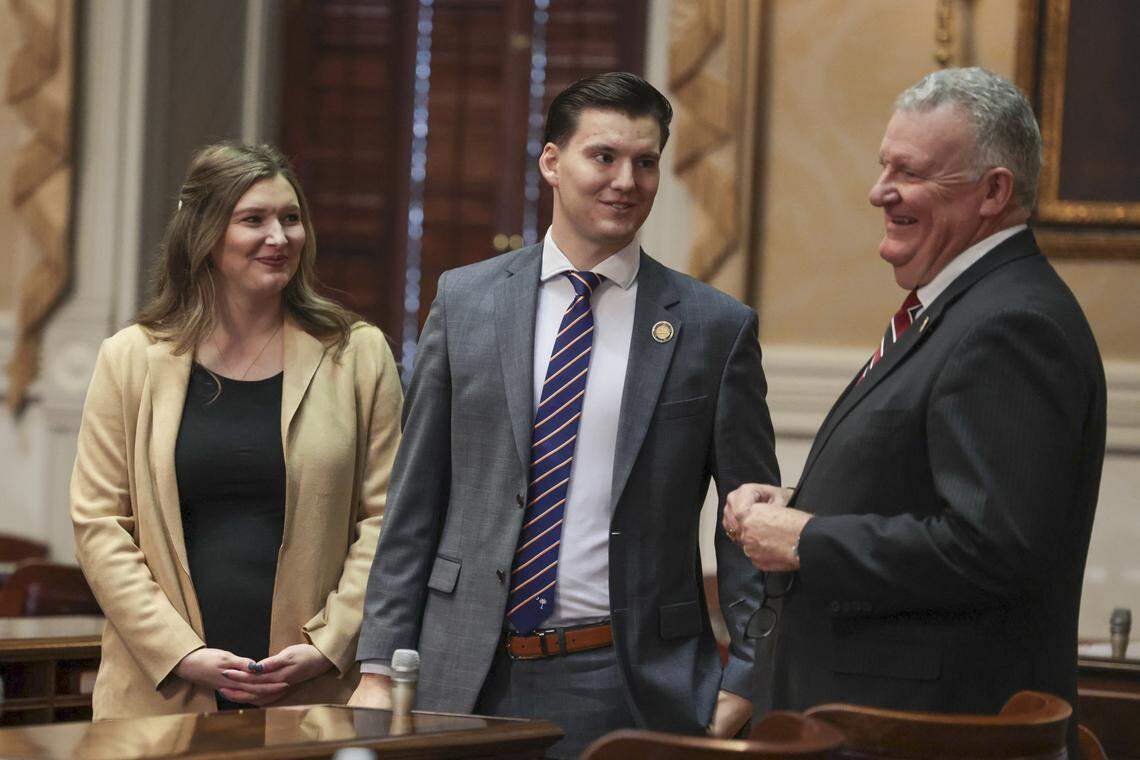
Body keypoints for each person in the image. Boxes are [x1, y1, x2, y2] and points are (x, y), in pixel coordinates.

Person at [350, 72, 778, 757]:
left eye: (645, 163)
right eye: (603, 157)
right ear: (553, 162)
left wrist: (750, 677)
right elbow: (415, 498)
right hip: (464, 672)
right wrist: (377, 664)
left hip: (629, 679)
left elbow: (750, 521)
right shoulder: (467, 302)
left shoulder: (711, 327)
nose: (626, 181)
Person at [723, 67, 1105, 755]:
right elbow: (927, 494)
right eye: (883, 167)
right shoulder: (962, 309)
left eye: (910, 172)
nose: (879, 192)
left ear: (992, 192)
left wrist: (807, 538)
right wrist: (797, 508)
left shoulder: (1011, 324)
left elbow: (993, 548)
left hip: (924, 730)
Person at [70, 142, 403, 718]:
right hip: (164, 688)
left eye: (291, 218)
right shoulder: (130, 358)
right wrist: (181, 652)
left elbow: (386, 519)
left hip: (309, 688)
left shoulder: (358, 353)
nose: (279, 237)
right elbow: (101, 523)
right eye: (254, 220)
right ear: (203, 234)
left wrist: (328, 645)